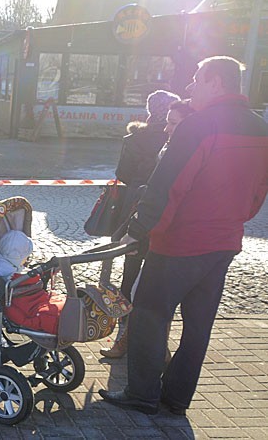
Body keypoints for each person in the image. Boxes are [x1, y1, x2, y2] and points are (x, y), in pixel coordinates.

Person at [101, 56, 268, 416]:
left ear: (217, 83)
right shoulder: (260, 128)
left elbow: (167, 188)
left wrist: (139, 232)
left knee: (148, 313)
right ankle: (177, 398)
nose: (190, 86)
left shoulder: (198, 127)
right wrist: (234, 219)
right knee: (198, 326)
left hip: (178, 243)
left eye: (197, 79)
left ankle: (142, 393)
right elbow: (259, 191)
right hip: (224, 243)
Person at [100, 90, 178, 359]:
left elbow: (122, 173)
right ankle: (153, 340)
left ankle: (123, 332)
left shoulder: (137, 137)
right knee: (158, 270)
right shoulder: (180, 138)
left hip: (136, 205)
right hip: (168, 212)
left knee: (130, 267)